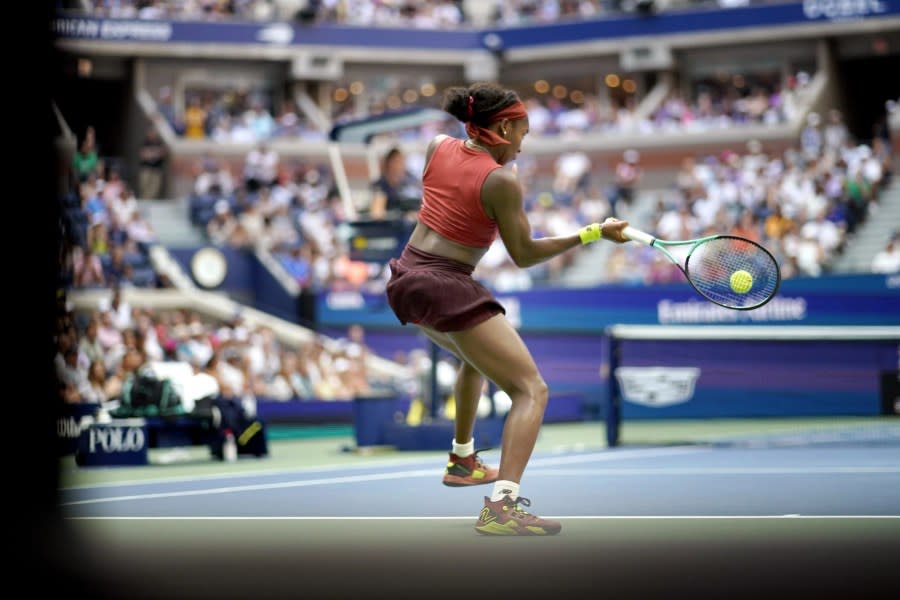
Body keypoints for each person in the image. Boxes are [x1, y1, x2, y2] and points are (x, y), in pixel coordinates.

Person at [385, 82, 630, 536]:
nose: (523, 142)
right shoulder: (501, 181)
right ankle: (502, 508)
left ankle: (462, 459)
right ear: (502, 127)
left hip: (405, 279)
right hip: (444, 283)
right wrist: (592, 233)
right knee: (531, 390)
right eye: (522, 132)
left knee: (473, 359)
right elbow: (524, 254)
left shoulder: (438, 146)